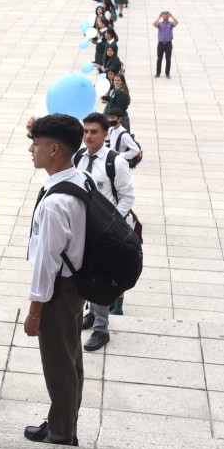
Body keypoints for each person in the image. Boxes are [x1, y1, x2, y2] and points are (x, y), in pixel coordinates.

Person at [22, 114, 88, 447]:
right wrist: (36, 129)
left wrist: (35, 311)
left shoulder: (55, 204)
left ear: (54, 149)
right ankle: (63, 420)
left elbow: (46, 263)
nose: (31, 150)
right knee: (71, 357)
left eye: (36, 145)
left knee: (59, 364)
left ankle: (62, 433)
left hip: (58, 293)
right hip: (75, 288)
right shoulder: (80, 179)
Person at [73, 113, 135, 351]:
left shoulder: (115, 161)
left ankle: (102, 329)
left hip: (105, 233)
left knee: (99, 277)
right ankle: (91, 315)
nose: (88, 136)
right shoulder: (78, 156)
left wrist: (111, 224)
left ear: (105, 134)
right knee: (85, 274)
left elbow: (127, 196)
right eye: (86, 131)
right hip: (83, 227)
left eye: (94, 132)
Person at [154, 10, 178, 79]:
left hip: (168, 44)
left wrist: (172, 16)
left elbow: (176, 23)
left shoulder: (170, 24)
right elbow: (154, 24)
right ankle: (158, 73)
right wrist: (159, 17)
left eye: (167, 15)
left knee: (168, 59)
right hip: (161, 43)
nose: (165, 16)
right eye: (164, 15)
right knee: (159, 59)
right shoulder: (160, 24)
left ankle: (167, 73)